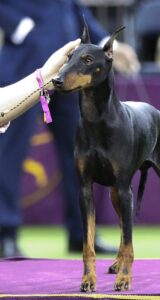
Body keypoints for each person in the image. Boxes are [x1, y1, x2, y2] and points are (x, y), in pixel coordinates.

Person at [0, 0, 140, 257]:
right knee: (9, 154)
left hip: (69, 71)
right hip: (23, 67)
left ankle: (82, 233)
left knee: (83, 152)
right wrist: (18, 27)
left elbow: (75, 10)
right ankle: (4, 233)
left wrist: (113, 45)